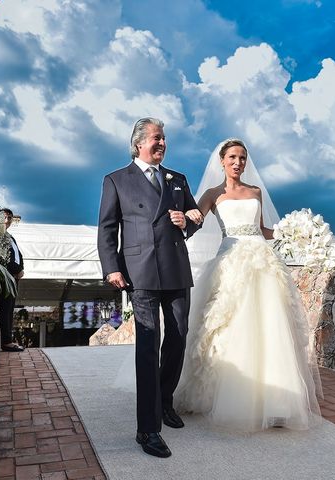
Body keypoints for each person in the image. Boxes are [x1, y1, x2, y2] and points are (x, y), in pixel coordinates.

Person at [174, 138, 322, 431]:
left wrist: (292, 232)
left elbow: (263, 230)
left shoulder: (255, 192)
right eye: (232, 157)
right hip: (230, 262)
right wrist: (188, 216)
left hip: (263, 263)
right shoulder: (212, 194)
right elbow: (196, 221)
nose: (238, 162)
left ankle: (276, 403)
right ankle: (224, 397)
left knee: (270, 326)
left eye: (242, 157)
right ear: (222, 160)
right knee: (230, 326)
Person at [97, 117, 201, 458]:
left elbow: (194, 216)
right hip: (140, 273)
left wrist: (187, 221)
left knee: (179, 335)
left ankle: (164, 399)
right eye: (157, 138)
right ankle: (147, 429)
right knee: (147, 344)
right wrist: (111, 268)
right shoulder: (116, 180)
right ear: (139, 142)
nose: (163, 143)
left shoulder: (178, 179)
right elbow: (107, 228)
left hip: (175, 268)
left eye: (165, 138)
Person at [0, 208, 25, 352]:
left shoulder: (10, 237)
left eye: (9, 218)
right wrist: (17, 270)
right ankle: (6, 342)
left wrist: (21, 269)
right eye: (5, 217)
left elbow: (18, 255)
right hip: (6, 277)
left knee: (10, 309)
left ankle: (8, 339)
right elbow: (3, 257)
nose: (7, 220)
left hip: (14, 277)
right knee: (5, 309)